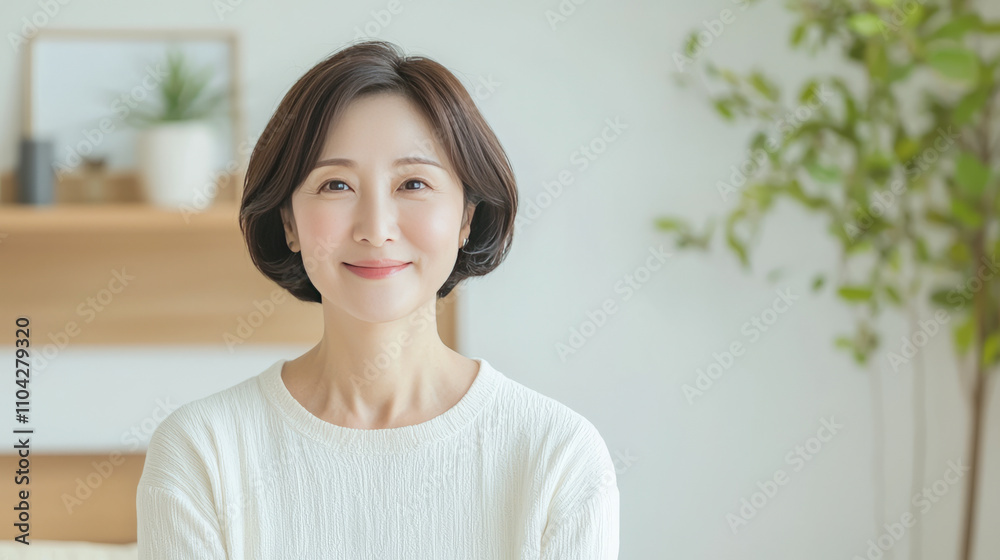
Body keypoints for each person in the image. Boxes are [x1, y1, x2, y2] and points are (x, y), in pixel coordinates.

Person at [136, 39, 619, 559]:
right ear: (288, 222)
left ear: (465, 218)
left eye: (413, 183)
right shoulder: (202, 452)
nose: (376, 229)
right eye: (336, 185)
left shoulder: (557, 454)